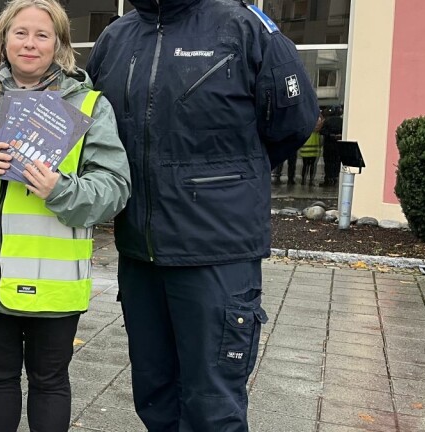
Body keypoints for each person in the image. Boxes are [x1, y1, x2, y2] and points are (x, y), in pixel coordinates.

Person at [87, 0, 319, 430]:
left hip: (217, 251)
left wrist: (225, 183)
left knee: (213, 404)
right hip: (140, 251)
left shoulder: (242, 27)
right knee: (155, 396)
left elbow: (293, 122)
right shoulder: (115, 39)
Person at [0, 1, 131, 430]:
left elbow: (114, 190)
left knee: (50, 382)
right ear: (2, 40)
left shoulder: (89, 106)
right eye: (20, 32)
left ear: (59, 44)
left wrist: (61, 189)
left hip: (53, 284)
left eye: (42, 34)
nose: (30, 43)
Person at [321, 105, 344, 186]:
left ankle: (328, 178)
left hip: (328, 145)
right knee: (336, 162)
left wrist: (331, 135)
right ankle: (335, 178)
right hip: (338, 145)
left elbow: (322, 131)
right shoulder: (342, 121)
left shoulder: (327, 121)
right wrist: (339, 135)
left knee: (328, 163)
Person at [299, 115, 324, 186]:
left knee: (305, 165)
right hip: (314, 149)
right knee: (312, 165)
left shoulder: (305, 124)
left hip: (305, 148)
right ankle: (311, 181)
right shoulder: (317, 125)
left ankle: (303, 181)